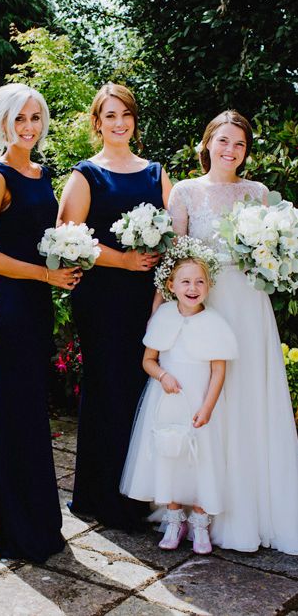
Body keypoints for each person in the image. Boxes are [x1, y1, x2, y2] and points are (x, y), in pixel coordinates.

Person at [0, 83, 78, 562]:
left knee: (27, 410)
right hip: (9, 305)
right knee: (15, 408)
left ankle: (27, 519)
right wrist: (45, 272)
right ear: (2, 123)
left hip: (39, 301)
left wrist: (67, 257)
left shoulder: (44, 174)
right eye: (19, 119)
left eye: (35, 118)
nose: (28, 126)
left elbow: (43, 236)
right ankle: (11, 527)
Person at [168, 110, 298, 554]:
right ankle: (198, 503)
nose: (230, 150)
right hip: (206, 305)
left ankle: (253, 506)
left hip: (249, 306)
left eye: (239, 144)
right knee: (206, 397)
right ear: (206, 143)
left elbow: (271, 250)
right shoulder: (185, 192)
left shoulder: (258, 193)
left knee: (249, 395)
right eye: (222, 141)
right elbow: (174, 262)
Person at [58, 82, 172, 530]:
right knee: (106, 388)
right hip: (102, 298)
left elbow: (176, 231)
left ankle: (139, 493)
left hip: (147, 298)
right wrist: (122, 258)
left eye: (125, 114)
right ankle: (99, 495)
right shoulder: (87, 174)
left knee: (143, 390)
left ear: (134, 120)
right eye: (110, 115)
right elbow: (67, 235)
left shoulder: (155, 172)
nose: (119, 123)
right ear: (97, 122)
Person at [120, 252, 237, 554]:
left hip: (200, 403)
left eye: (200, 281)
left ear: (208, 286)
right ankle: (174, 520)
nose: (192, 287)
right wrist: (162, 375)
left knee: (201, 458)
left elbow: (218, 370)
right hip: (168, 402)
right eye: (185, 281)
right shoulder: (164, 317)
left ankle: (200, 522)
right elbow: (148, 360)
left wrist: (208, 407)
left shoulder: (214, 322)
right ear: (171, 285)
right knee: (170, 455)